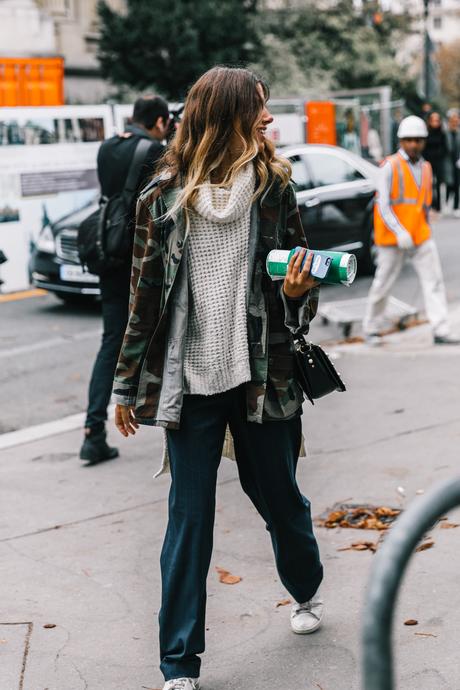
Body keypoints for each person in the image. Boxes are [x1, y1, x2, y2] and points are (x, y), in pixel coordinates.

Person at [113, 67, 324, 690]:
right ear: (228, 115)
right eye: (258, 108)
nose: (268, 118)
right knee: (189, 520)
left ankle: (306, 588)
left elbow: (301, 295)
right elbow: (144, 297)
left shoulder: (274, 190)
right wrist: (125, 386)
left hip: (262, 377)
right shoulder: (163, 199)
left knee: (281, 501)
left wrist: (295, 293)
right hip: (192, 384)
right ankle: (179, 663)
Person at [79, 95, 170, 465]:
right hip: (141, 257)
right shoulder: (154, 149)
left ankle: (93, 431)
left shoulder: (106, 147)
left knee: (112, 339)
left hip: (108, 249)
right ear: (161, 122)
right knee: (161, 332)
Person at [364, 115, 459, 346]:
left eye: (418, 140)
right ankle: (371, 329)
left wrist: (425, 225)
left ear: (424, 141)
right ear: (401, 141)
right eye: (409, 140)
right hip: (393, 239)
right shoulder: (389, 166)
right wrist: (399, 232)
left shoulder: (426, 168)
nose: (414, 144)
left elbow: (423, 203)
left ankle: (440, 329)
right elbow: (383, 205)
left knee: (434, 282)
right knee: (382, 283)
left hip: (420, 236)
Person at [424, 111, 447, 212]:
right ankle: (429, 203)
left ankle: (438, 205)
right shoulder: (426, 133)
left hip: (439, 161)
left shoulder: (442, 133)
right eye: (433, 120)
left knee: (438, 184)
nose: (435, 123)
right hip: (428, 161)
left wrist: (440, 154)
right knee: (428, 183)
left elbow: (445, 147)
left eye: (437, 120)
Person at [444, 108, 460, 217]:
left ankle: (456, 207)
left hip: (458, 163)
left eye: (456, 119)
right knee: (449, 184)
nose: (455, 121)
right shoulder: (445, 133)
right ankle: (446, 204)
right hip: (448, 163)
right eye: (452, 119)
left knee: (457, 185)